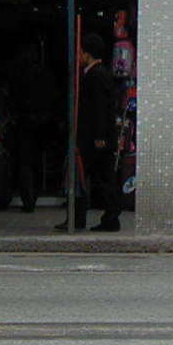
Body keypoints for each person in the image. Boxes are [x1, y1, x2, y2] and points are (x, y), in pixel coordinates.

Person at [71, 34, 121, 232]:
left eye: (80, 52)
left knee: (98, 178)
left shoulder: (96, 75)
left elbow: (99, 109)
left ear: (87, 53)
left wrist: (99, 138)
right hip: (99, 136)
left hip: (96, 137)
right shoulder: (100, 73)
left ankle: (108, 216)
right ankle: (103, 217)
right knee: (99, 177)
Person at [5, 41, 57, 214]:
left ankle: (28, 199)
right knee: (37, 160)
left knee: (25, 161)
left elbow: (13, 96)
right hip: (41, 121)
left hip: (25, 120)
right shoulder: (44, 74)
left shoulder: (19, 74)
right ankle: (33, 195)